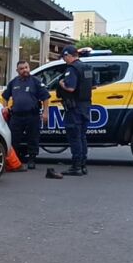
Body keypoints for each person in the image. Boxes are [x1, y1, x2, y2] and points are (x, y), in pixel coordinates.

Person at [2, 60, 50, 170]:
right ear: (17, 70)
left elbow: (45, 97)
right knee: (14, 139)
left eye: (26, 67)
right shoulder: (13, 82)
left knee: (33, 138)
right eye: (22, 68)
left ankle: (32, 159)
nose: (25, 70)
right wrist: (5, 107)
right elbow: (5, 96)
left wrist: (45, 112)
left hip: (32, 115)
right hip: (16, 116)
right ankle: (15, 161)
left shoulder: (35, 81)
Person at [57, 45, 93, 176]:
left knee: (74, 137)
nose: (64, 60)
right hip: (85, 106)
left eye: (64, 57)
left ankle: (76, 166)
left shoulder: (72, 69)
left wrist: (61, 83)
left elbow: (70, 88)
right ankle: (83, 165)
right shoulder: (86, 68)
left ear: (68, 55)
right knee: (82, 137)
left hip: (74, 107)